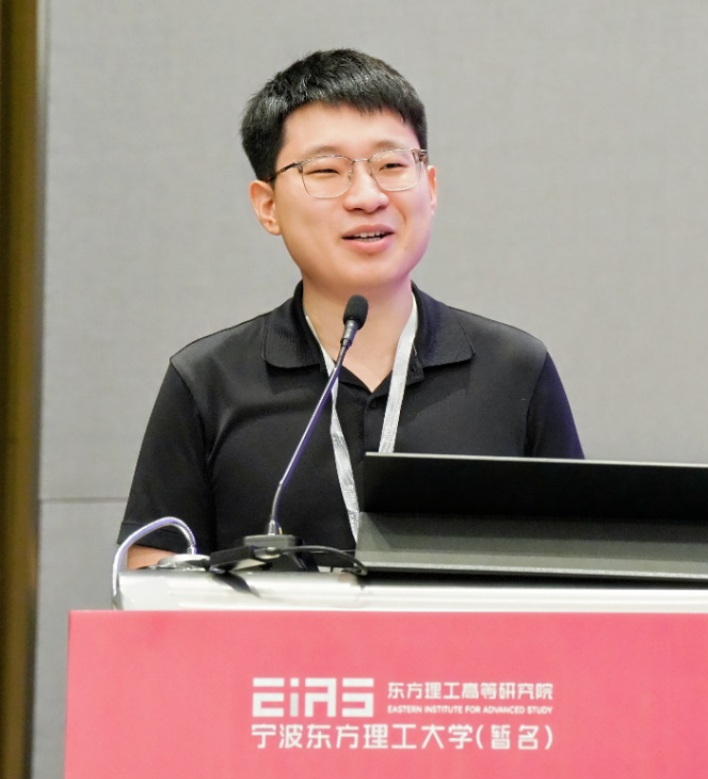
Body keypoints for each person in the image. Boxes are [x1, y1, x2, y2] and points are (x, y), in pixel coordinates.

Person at [119, 49, 583, 569]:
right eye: (326, 170)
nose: (366, 196)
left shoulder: (514, 370)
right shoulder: (209, 381)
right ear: (268, 206)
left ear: (430, 188)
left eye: (391, 165)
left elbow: (579, 565)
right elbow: (150, 576)